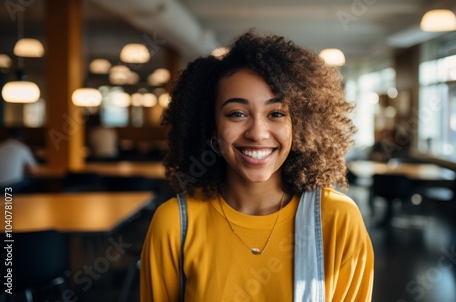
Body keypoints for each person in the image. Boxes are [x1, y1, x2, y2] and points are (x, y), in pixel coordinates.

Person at [140, 31, 374, 301]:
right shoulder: (174, 224)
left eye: (276, 114)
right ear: (212, 127)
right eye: (236, 114)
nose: (258, 133)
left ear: (300, 124)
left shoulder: (338, 219)